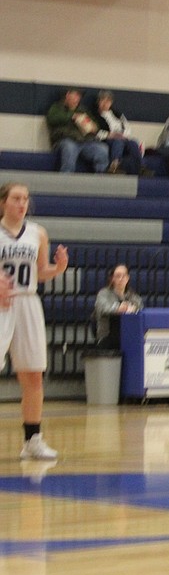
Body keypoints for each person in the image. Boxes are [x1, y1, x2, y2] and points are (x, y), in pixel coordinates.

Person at [0, 183, 67, 461]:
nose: (22, 203)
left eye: (26, 199)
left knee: (33, 375)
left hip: (28, 302)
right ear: (3, 202)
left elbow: (40, 272)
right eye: (16, 198)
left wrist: (58, 268)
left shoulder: (38, 233)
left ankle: (32, 440)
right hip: (2, 304)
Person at [45, 88, 109, 174]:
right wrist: (72, 116)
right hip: (65, 140)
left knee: (102, 149)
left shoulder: (83, 110)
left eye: (79, 96)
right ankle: (66, 178)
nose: (77, 98)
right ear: (68, 95)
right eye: (76, 95)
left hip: (84, 141)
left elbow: (95, 125)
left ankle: (100, 177)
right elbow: (52, 119)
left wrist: (93, 127)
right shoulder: (57, 107)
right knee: (70, 147)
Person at [91, 90, 146, 175]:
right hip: (107, 138)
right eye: (103, 100)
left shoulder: (117, 114)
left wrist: (123, 135)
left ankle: (140, 167)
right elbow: (94, 131)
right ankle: (114, 165)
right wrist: (110, 135)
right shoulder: (94, 114)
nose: (105, 103)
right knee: (118, 142)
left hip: (121, 137)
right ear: (98, 101)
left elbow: (127, 126)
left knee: (133, 143)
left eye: (108, 101)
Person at [93, 264, 143, 347]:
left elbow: (140, 309)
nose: (121, 279)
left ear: (127, 278)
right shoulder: (103, 294)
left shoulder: (134, 297)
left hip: (129, 338)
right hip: (107, 338)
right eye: (118, 276)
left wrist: (133, 309)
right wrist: (118, 308)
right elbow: (103, 308)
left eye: (123, 276)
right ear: (112, 278)